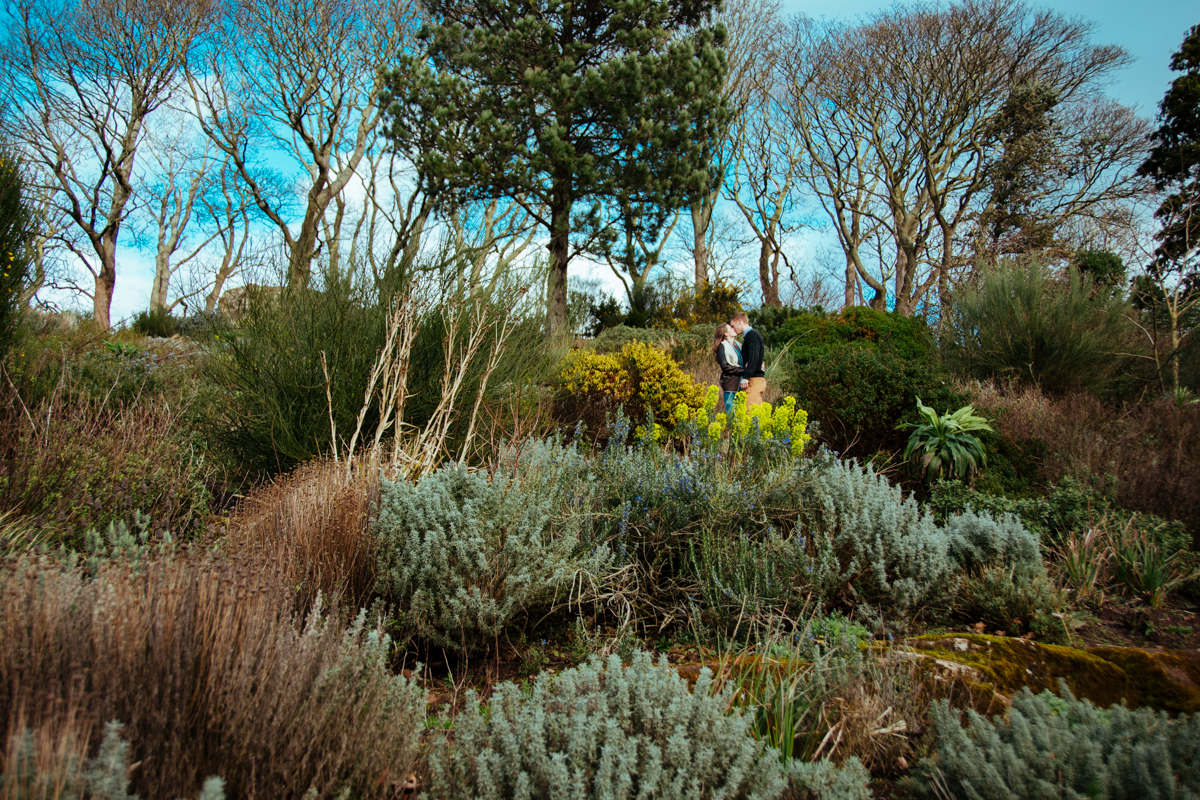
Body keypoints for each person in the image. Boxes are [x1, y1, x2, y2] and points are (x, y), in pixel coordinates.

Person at [730, 312, 765, 406]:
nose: (733, 329)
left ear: (739, 322)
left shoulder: (752, 335)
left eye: (733, 326)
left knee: (751, 413)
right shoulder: (750, 336)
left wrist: (746, 376)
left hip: (754, 380)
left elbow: (754, 357)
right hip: (755, 379)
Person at [712, 322, 742, 413]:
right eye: (731, 328)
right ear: (726, 333)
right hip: (730, 383)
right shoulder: (722, 346)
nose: (734, 329)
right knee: (730, 411)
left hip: (741, 382)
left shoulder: (738, 345)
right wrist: (743, 371)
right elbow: (725, 367)